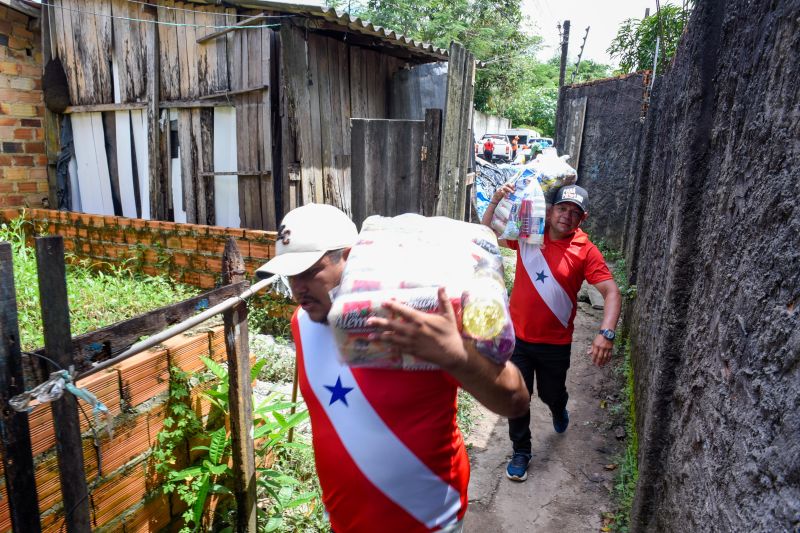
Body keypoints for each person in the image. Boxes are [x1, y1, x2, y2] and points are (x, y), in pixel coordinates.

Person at [257, 203, 528, 533]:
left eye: (308, 271)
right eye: (290, 275)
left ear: (349, 257)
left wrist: (457, 356)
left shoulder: (411, 323)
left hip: (429, 522)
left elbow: (515, 401)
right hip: (345, 523)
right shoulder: (301, 322)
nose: (297, 287)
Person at [480, 184, 622, 482]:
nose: (567, 216)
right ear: (550, 209)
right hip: (518, 339)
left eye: (575, 212)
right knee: (517, 396)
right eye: (562, 208)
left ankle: (559, 407)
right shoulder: (529, 234)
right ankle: (521, 451)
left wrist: (606, 333)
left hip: (555, 344)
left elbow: (611, 292)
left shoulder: (585, 250)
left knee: (550, 393)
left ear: (583, 218)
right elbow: (487, 233)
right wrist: (496, 199)